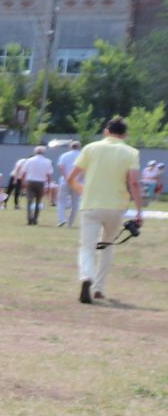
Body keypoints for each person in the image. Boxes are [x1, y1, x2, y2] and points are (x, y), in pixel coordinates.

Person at [66, 116, 144, 304]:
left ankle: (86, 277)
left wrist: (82, 191)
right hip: (116, 206)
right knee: (107, 246)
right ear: (125, 135)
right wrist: (139, 210)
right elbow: (133, 182)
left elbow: (71, 178)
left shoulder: (90, 148)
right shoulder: (131, 152)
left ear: (106, 131)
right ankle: (99, 288)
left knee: (87, 247)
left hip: (91, 204)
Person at [20, 144, 55, 226]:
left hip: (30, 181)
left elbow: (23, 173)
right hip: (41, 182)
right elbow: (49, 175)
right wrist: (49, 185)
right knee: (38, 202)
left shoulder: (29, 160)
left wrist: (23, 183)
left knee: (29, 201)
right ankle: (35, 219)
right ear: (44, 152)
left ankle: (29, 219)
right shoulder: (48, 161)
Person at [54, 140, 83, 227]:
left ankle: (62, 219)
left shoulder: (64, 155)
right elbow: (84, 169)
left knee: (61, 200)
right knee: (75, 202)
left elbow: (61, 167)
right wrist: (79, 178)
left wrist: (67, 177)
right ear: (80, 147)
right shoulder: (82, 155)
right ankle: (70, 222)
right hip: (78, 181)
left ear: (71, 147)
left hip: (65, 180)